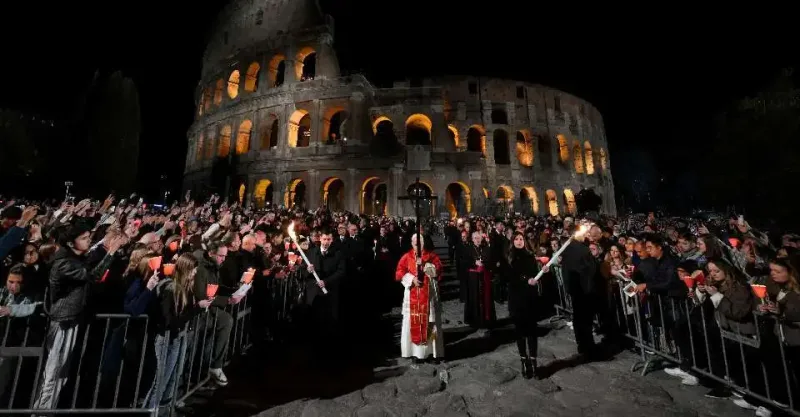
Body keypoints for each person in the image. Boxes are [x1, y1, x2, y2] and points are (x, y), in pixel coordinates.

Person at [395, 233, 444, 365]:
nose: (417, 245)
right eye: (415, 243)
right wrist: (412, 279)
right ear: (411, 243)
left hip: (429, 296)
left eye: (420, 243)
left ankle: (432, 353)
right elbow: (399, 273)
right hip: (413, 294)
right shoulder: (407, 256)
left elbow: (439, 270)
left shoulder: (432, 256)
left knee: (430, 322)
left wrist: (426, 265)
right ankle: (415, 353)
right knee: (412, 321)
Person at [505, 232, 542, 379]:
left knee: (532, 331)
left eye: (521, 239)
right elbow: (511, 275)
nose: (519, 241)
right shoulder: (510, 257)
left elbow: (534, 273)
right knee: (520, 331)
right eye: (517, 239)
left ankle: (533, 361)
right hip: (516, 298)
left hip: (530, 297)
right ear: (513, 241)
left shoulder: (530, 256)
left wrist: (541, 271)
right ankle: (524, 360)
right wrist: (526, 279)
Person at [303, 228, 346, 352]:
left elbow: (341, 271)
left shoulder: (338, 253)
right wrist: (307, 270)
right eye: (324, 239)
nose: (326, 242)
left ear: (332, 240)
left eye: (329, 239)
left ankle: (329, 348)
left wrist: (326, 281)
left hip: (330, 292)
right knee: (315, 320)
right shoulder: (311, 252)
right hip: (314, 293)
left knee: (330, 320)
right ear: (319, 239)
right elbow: (302, 270)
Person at [460, 231, 495, 331]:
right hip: (473, 279)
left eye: (479, 238)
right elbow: (463, 262)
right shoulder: (468, 249)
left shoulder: (486, 248)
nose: (477, 240)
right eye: (475, 238)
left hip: (484, 278)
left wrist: (484, 264)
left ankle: (485, 319)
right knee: (474, 298)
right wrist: (474, 262)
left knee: (485, 298)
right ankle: (474, 320)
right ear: (472, 239)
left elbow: (491, 261)